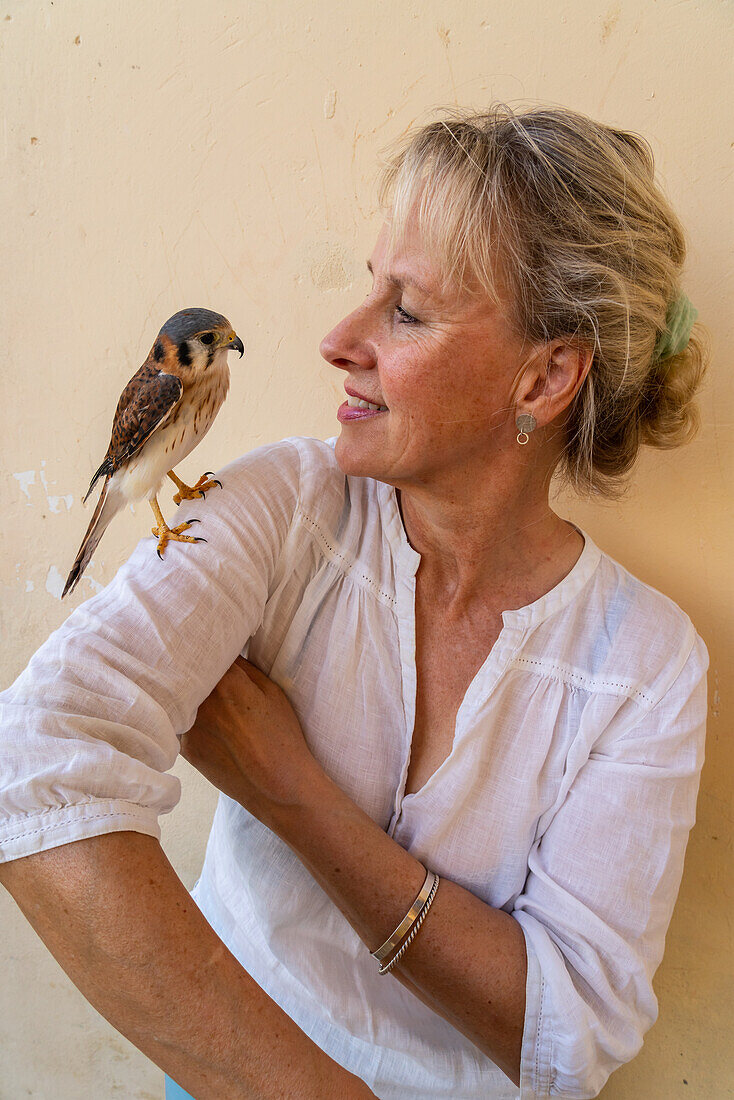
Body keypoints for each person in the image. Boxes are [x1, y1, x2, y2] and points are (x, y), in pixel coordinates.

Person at [0, 104, 710, 1100]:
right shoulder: (284, 507)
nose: (337, 338)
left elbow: (568, 1033)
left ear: (544, 376)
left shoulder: (642, 664)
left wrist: (294, 795)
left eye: (407, 309)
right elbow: (32, 759)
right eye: (369, 287)